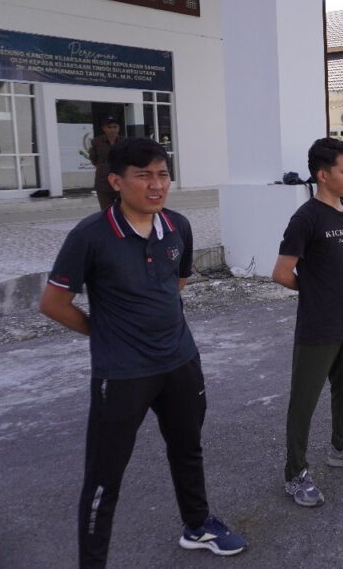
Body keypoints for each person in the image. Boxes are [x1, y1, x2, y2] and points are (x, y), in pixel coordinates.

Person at [39, 138, 246, 567]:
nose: (156, 185)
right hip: (123, 373)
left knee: (187, 448)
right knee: (104, 476)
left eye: (163, 174)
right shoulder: (90, 236)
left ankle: (198, 525)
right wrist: (104, 333)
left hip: (180, 362)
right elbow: (53, 303)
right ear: (116, 181)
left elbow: (177, 282)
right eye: (144, 176)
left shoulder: (178, 226)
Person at [272, 138, 343, 508]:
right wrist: (315, 291)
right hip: (318, 326)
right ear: (322, 174)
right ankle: (295, 473)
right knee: (304, 401)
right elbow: (281, 272)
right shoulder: (305, 218)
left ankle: (342, 446)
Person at [88, 114, 127, 210]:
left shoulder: (125, 142)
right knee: (106, 211)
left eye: (115, 127)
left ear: (119, 128)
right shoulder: (96, 142)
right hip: (103, 183)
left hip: (121, 182)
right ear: (103, 128)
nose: (112, 130)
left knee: (124, 210)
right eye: (109, 127)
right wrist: (104, 168)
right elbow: (94, 160)